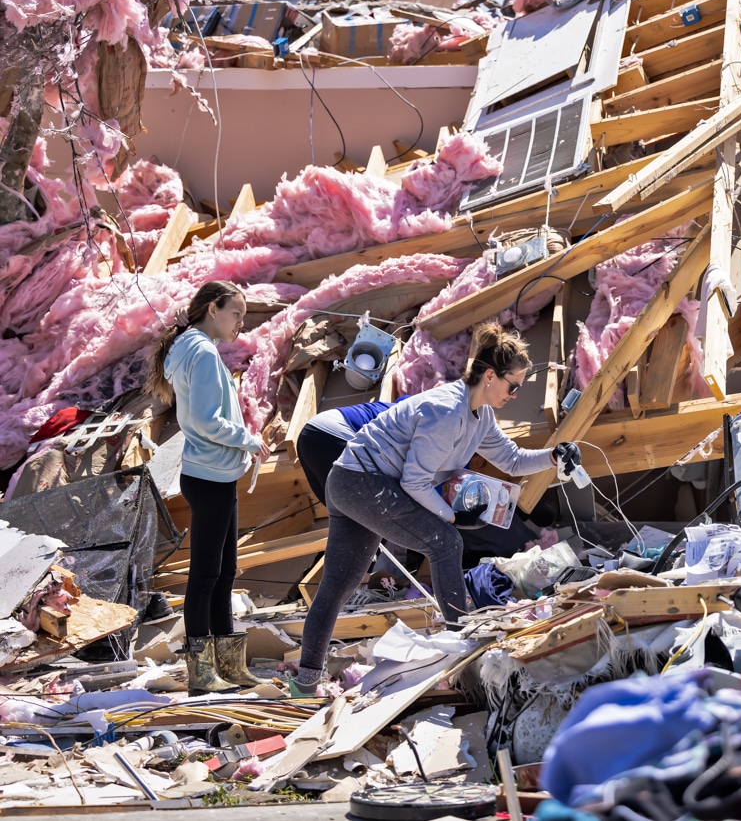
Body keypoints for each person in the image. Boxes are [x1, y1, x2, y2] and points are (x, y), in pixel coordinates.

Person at [289, 322, 581, 695]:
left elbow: (511, 459)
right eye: (514, 385)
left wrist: (554, 456)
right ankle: (467, 648)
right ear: (490, 376)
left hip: (354, 481)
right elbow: (414, 483)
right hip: (359, 482)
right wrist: (453, 517)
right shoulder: (447, 412)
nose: (515, 393)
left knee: (339, 583)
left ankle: (305, 681)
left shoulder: (481, 415)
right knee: (445, 542)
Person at [145, 281, 271, 694]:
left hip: (215, 475)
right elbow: (200, 421)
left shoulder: (193, 347)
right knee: (205, 575)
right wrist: (249, 440)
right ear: (212, 309)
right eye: (236, 313)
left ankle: (229, 668)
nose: (240, 323)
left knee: (225, 571)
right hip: (209, 476)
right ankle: (201, 674)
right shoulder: (200, 351)